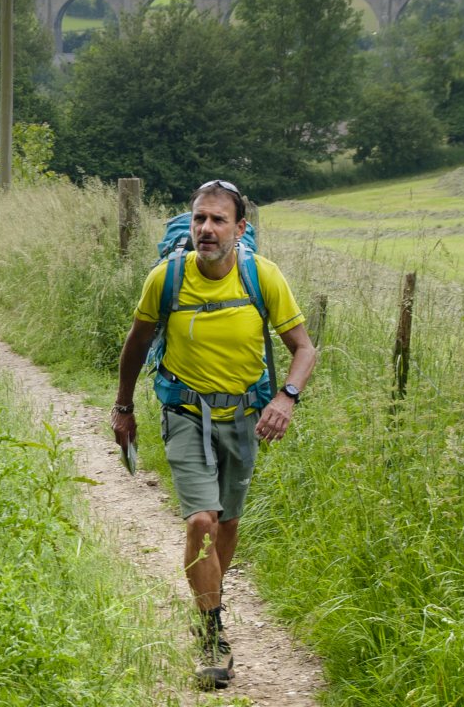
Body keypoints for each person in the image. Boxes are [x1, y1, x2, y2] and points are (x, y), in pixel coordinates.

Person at [110, 179, 317, 690]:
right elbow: (136, 344)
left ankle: (210, 604)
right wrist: (123, 407)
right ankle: (211, 635)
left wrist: (285, 398)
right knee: (202, 520)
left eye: (218, 220)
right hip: (184, 411)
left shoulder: (261, 276)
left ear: (239, 229)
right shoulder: (167, 278)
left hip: (245, 417)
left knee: (226, 523)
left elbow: (304, 349)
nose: (206, 229)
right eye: (200, 218)